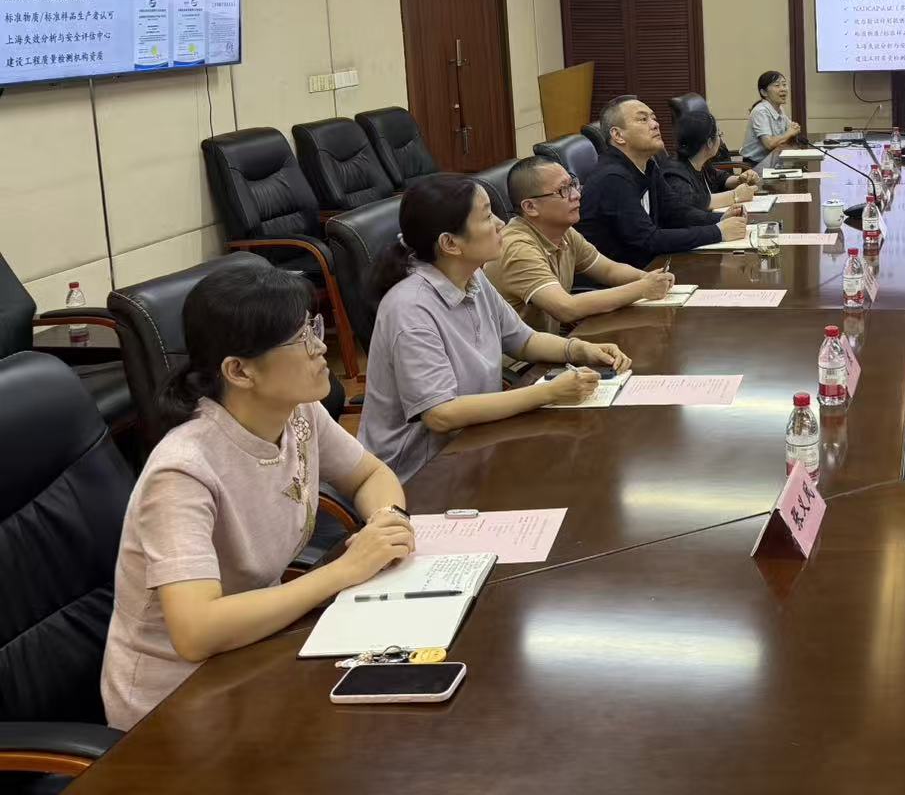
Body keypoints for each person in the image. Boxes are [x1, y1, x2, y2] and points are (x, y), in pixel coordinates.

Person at [101, 265, 415, 730]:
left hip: (255, 650)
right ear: (239, 370)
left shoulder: (298, 413)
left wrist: (386, 521)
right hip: (176, 704)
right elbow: (195, 631)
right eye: (301, 339)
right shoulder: (183, 471)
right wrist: (343, 571)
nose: (320, 347)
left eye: (314, 327)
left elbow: (370, 474)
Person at [358, 175, 631, 483]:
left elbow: (523, 340)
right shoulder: (410, 309)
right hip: (419, 474)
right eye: (487, 216)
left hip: (477, 443)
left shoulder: (472, 277)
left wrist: (579, 349)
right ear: (450, 243)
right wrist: (548, 392)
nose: (501, 224)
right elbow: (441, 414)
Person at [486, 155, 679, 334]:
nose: (576, 195)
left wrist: (647, 278)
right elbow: (566, 308)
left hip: (549, 344)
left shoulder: (564, 232)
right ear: (530, 207)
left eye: (573, 184)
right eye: (563, 190)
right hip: (520, 358)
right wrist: (642, 288)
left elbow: (609, 270)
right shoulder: (517, 247)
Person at [580, 95, 746, 267]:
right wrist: (717, 232)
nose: (655, 124)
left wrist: (719, 218)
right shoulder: (612, 178)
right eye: (643, 119)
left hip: (651, 266)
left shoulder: (648, 166)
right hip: (623, 276)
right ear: (618, 135)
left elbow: (675, 212)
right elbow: (648, 239)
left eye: (654, 118)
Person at [659, 109, 756, 228]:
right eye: (719, 135)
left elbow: (718, 178)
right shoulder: (674, 172)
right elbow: (691, 202)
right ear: (709, 143)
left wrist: (740, 179)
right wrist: (735, 195)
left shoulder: (700, 162)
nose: (720, 140)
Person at [742, 70, 800, 171]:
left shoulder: (779, 109)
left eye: (784, 84)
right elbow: (769, 144)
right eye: (777, 85)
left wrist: (793, 129)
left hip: (772, 162)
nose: (783, 89)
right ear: (764, 92)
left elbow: (791, 129)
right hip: (755, 166)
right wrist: (790, 132)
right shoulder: (760, 111)